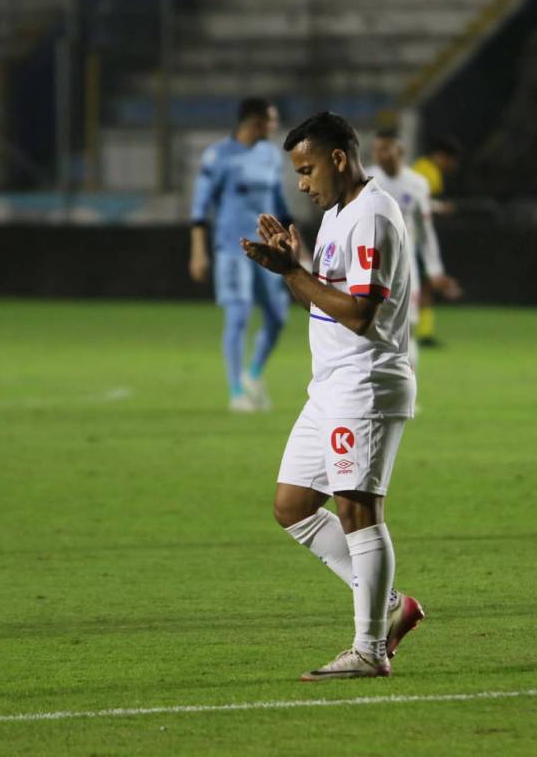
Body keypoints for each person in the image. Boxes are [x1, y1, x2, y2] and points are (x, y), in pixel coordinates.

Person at [242, 112, 424, 680]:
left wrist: (292, 274)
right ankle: (392, 605)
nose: (302, 183)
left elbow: (362, 316)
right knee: (293, 506)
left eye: (307, 169)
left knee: (358, 510)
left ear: (339, 158)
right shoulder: (338, 215)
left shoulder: (371, 215)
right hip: (330, 386)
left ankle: (369, 648)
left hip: (365, 382)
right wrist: (295, 270)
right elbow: (325, 304)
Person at [189, 98, 293, 412]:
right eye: (271, 121)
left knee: (278, 315)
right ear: (254, 121)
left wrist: (291, 242)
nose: (274, 127)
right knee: (238, 315)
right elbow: (200, 208)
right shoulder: (218, 156)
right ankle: (236, 393)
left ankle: (253, 374)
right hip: (233, 248)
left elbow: (278, 202)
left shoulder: (270, 156)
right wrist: (198, 252)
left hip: (268, 250)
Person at [368, 129, 461, 374]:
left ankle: (407, 393)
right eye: (377, 149)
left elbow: (426, 231)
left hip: (405, 270)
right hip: (369, 269)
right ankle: (371, 393)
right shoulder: (365, 180)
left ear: (401, 151)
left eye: (386, 148)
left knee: (406, 330)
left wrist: (435, 270)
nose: (380, 155)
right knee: (369, 331)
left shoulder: (417, 184)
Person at [410, 136, 461, 347]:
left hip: (415, 237)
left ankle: (424, 333)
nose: (453, 165)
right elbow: (416, 203)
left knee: (427, 285)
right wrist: (441, 207)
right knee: (424, 285)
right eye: (451, 159)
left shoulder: (423, 168)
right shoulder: (427, 173)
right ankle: (419, 333)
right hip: (413, 238)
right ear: (440, 156)